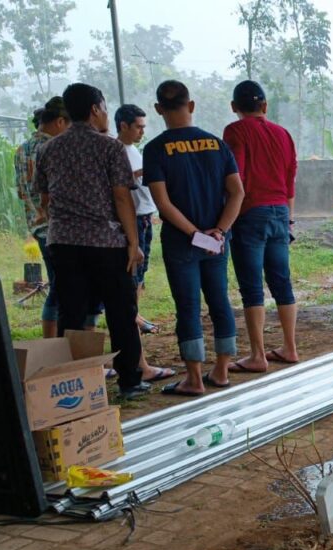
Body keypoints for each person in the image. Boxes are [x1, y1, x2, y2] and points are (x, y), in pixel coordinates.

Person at [34, 83, 149, 399]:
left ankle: (72, 383)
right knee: (120, 312)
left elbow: (44, 199)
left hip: (63, 243)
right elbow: (122, 198)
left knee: (71, 313)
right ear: (96, 108)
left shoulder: (49, 149)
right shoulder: (109, 148)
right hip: (106, 243)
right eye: (105, 107)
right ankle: (129, 381)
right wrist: (133, 242)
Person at [143, 80, 244, 397]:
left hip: (180, 241)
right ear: (192, 105)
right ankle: (223, 371)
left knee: (187, 307)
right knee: (219, 301)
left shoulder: (156, 149)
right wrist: (219, 230)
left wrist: (193, 233)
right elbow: (237, 192)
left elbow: (163, 204)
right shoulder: (215, 144)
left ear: (159, 109)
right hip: (216, 241)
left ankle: (194, 379)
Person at [223, 80, 300, 372]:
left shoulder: (235, 131)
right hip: (281, 212)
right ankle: (290, 347)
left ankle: (258, 356)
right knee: (282, 281)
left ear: (234, 108)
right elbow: (291, 179)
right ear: (264, 106)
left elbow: (236, 177)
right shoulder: (283, 134)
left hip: (250, 214)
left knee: (252, 287)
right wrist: (289, 218)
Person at [14, 96, 98, 338]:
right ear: (61, 122)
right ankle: (55, 344)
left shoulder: (23, 149)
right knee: (62, 288)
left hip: (37, 224)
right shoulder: (52, 148)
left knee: (59, 285)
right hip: (57, 227)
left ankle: (53, 342)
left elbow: (23, 190)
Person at [114, 103, 176, 384]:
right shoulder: (116, 151)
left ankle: (136, 321)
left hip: (144, 219)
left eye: (143, 126)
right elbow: (121, 193)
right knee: (131, 288)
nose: (141, 132)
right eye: (137, 126)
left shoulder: (134, 150)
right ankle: (139, 363)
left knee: (137, 285)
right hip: (134, 222)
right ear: (123, 125)